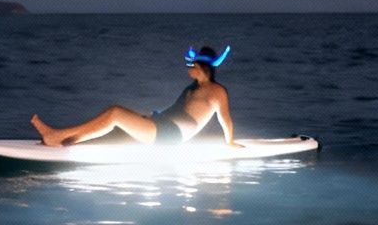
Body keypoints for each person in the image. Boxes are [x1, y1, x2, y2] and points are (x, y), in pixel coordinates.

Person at [31, 45, 239, 148]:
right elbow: (176, 110)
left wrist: (230, 142)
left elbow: (225, 119)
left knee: (115, 113)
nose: (188, 68)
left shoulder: (217, 91)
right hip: (162, 125)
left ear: (202, 67)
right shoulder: (191, 88)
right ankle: (70, 138)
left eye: (191, 65)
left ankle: (55, 136)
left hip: (171, 135)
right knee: (113, 124)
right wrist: (150, 117)